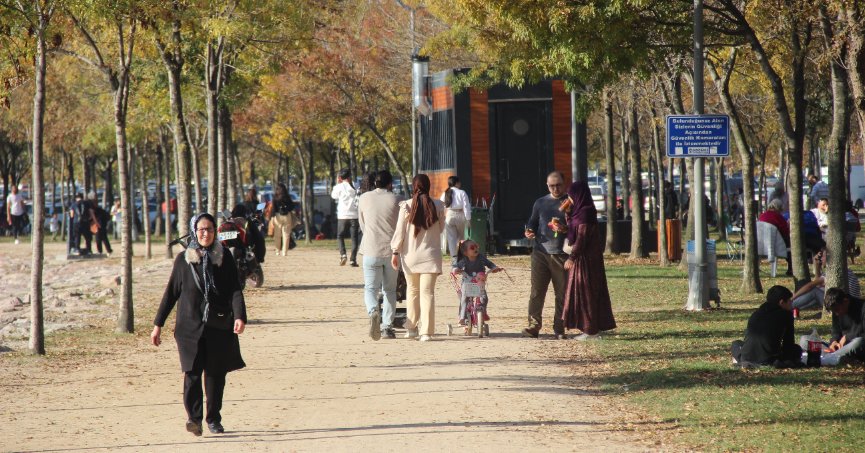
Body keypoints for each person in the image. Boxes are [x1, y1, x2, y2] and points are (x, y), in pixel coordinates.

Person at [151, 213, 247, 436]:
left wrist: (240, 316)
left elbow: (235, 290)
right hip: (188, 328)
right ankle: (194, 419)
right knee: (192, 374)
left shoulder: (224, 258)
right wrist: (158, 325)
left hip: (219, 326)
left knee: (215, 375)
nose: (206, 233)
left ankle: (213, 419)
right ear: (195, 231)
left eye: (210, 229)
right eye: (202, 229)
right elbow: (171, 294)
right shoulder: (184, 259)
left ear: (215, 232)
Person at [390, 173, 445, 342]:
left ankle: (412, 328)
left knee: (412, 291)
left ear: (413, 186)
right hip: (431, 256)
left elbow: (400, 232)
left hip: (410, 256)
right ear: (428, 186)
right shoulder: (439, 205)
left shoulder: (406, 206)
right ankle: (426, 332)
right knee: (427, 293)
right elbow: (441, 229)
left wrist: (395, 251)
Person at [562, 181, 616, 340]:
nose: (569, 198)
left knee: (586, 293)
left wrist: (572, 257)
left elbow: (582, 238)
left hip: (586, 261)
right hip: (582, 259)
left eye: (571, 195)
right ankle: (590, 327)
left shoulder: (585, 213)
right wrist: (566, 220)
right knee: (584, 292)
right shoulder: (579, 212)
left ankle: (591, 330)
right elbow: (575, 231)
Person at [522, 171, 569, 339]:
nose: (555, 188)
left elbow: (578, 228)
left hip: (561, 254)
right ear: (547, 185)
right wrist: (529, 230)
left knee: (562, 293)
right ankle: (533, 326)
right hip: (540, 252)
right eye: (551, 186)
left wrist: (565, 229)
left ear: (564, 184)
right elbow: (532, 221)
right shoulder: (540, 202)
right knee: (536, 292)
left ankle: (560, 327)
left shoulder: (570, 202)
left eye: (558, 185)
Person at [358, 170, 400, 340]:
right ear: (390, 184)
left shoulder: (364, 198)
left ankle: (373, 310)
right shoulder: (398, 199)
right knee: (389, 290)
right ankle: (387, 327)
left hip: (370, 249)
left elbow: (362, 224)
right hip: (391, 252)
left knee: (370, 288)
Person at [730, 285, 802, 368]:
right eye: (790, 301)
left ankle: (741, 361)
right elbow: (788, 343)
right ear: (781, 302)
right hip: (769, 359)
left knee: (736, 344)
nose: (791, 304)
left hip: (747, 356)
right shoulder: (786, 315)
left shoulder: (756, 313)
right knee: (796, 349)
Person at [452, 239, 501, 334]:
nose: (475, 249)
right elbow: (456, 266)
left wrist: (494, 268)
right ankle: (462, 317)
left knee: (484, 298)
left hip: (479, 283)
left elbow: (489, 264)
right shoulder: (464, 260)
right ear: (465, 252)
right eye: (472, 247)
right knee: (464, 299)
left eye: (476, 246)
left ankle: (483, 313)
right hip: (467, 283)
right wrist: (456, 269)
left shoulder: (481, 257)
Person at [823, 288, 865, 362]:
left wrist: (847, 337)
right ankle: (837, 355)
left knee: (859, 342)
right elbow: (836, 331)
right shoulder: (836, 310)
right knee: (805, 340)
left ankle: (831, 357)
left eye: (837, 310)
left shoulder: (862, 307)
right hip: (841, 346)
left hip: (856, 343)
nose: (836, 313)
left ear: (845, 301)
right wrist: (834, 342)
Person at [332, 168, 359, 267]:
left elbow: (333, 196)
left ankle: (343, 254)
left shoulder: (339, 187)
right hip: (354, 216)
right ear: (350, 176)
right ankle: (353, 260)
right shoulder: (356, 185)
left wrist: (337, 183)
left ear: (340, 177)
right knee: (354, 238)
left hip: (343, 216)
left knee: (340, 236)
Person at [758, 198, 792, 275]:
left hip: (761, 243)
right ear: (779, 208)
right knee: (792, 246)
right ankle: (791, 268)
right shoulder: (778, 217)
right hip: (776, 244)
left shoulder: (762, 216)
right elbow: (785, 232)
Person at [441, 176, 472, 257]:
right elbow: (466, 207)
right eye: (459, 182)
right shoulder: (462, 192)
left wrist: (442, 217)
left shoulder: (445, 193)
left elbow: (441, 205)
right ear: (457, 183)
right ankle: (461, 256)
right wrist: (468, 219)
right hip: (460, 215)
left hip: (449, 215)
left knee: (451, 239)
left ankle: (454, 258)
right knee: (461, 237)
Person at [268, 183, 297, 256]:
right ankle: (285, 252)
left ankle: (277, 251)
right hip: (287, 216)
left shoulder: (275, 197)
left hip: (277, 216)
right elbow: (292, 206)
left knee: (277, 235)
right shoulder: (287, 197)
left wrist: (271, 218)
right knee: (286, 235)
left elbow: (273, 209)